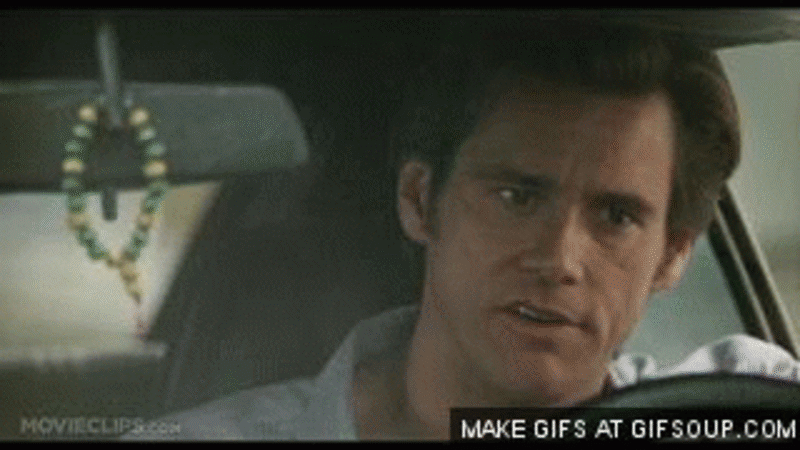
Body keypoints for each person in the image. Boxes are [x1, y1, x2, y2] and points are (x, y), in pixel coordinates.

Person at [125, 18, 800, 440]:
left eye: (616, 217)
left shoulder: (741, 407)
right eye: (516, 196)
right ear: (420, 201)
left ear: (674, 254)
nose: (559, 259)